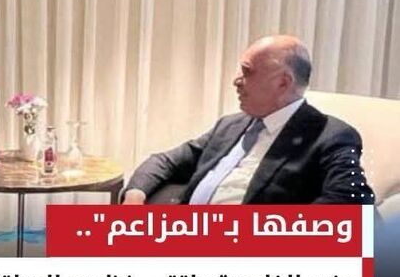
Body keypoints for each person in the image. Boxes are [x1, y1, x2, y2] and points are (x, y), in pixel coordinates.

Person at [123, 35, 374, 205]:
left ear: (283, 83)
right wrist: (134, 195)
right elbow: (166, 161)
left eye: (247, 72)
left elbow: (352, 199)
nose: (236, 81)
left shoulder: (330, 135)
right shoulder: (230, 125)